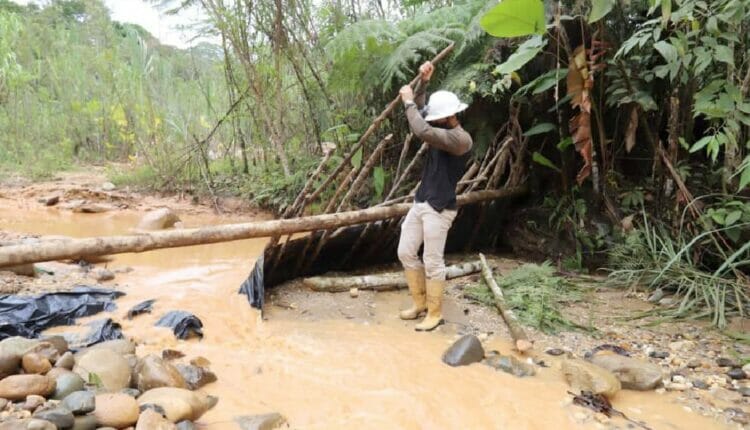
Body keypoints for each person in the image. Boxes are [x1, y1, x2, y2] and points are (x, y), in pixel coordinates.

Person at [396, 61, 473, 331]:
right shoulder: (441, 128)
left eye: (435, 117)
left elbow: (421, 129)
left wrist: (408, 102)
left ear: (447, 117)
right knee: (405, 251)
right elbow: (423, 114)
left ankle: (435, 311)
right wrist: (423, 82)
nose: (431, 118)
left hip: (440, 208)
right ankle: (420, 303)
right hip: (422, 200)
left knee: (432, 261)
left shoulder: (460, 140)